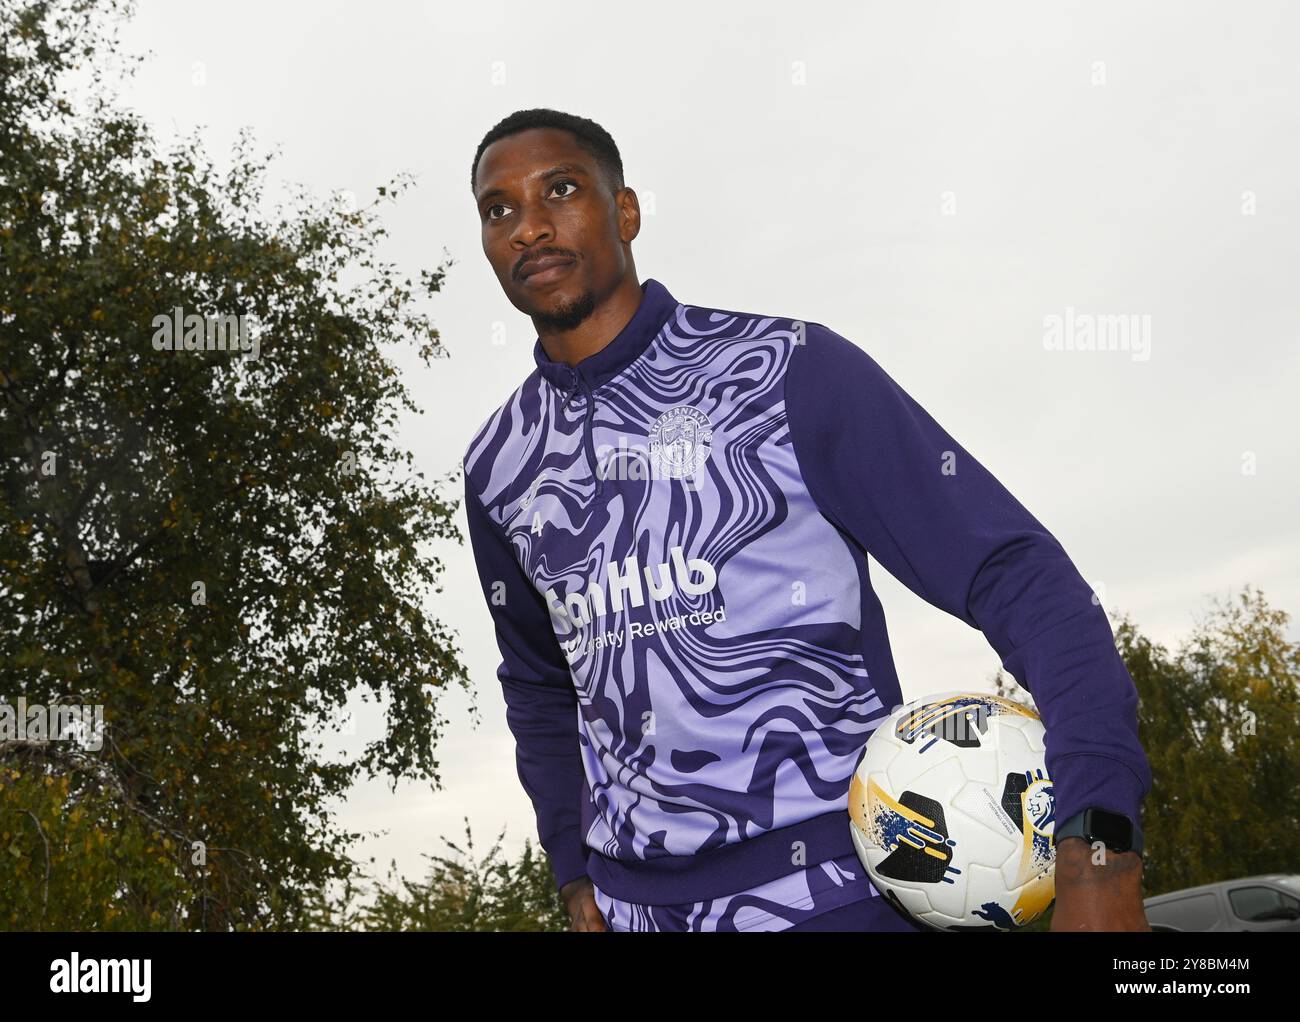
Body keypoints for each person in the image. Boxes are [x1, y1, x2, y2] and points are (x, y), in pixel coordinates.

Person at [462, 108, 1152, 932]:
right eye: (498, 209)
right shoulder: (498, 465)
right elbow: (538, 686)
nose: (529, 225)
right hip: (633, 908)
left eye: (561, 190)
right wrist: (575, 876)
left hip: (837, 890)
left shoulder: (786, 370)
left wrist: (1098, 851)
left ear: (626, 211)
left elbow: (1018, 574)